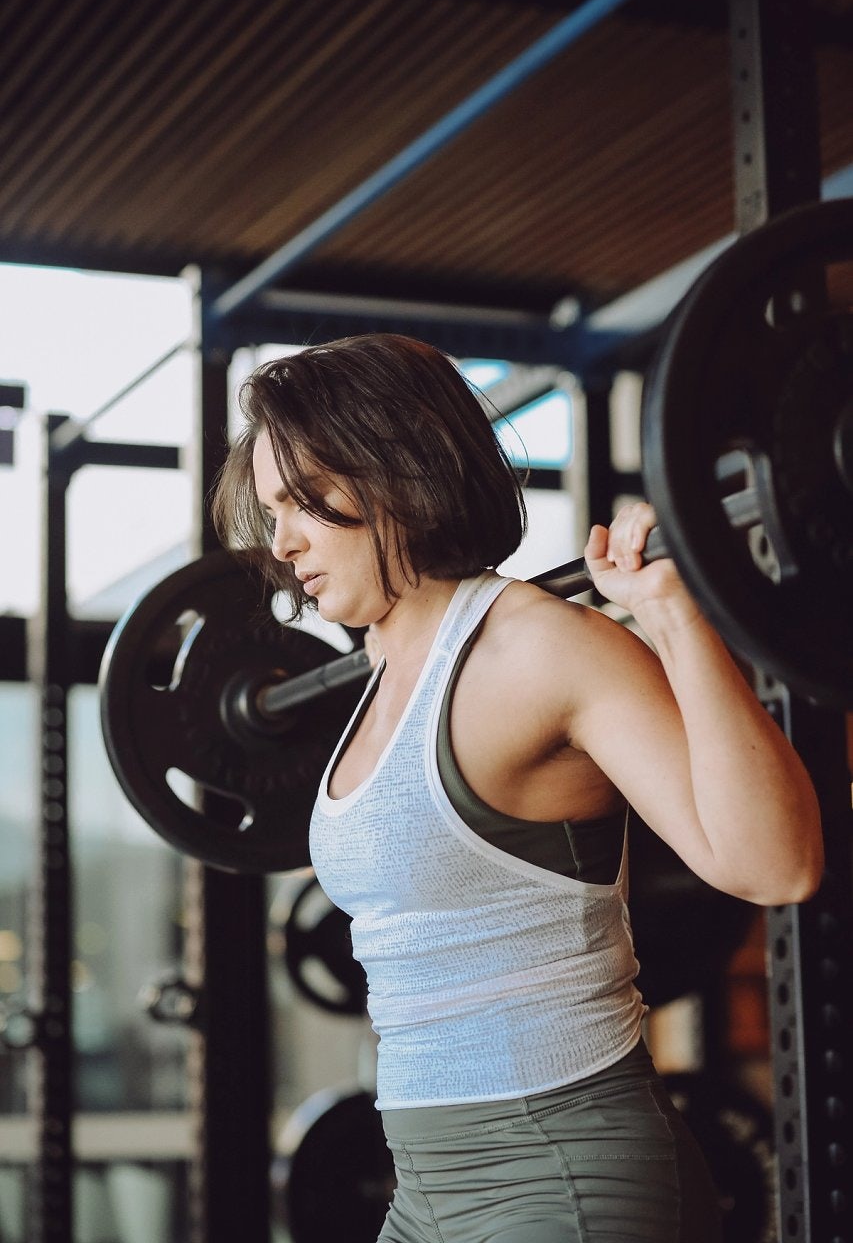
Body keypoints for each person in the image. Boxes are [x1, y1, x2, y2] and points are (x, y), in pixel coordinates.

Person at [212, 332, 822, 1243]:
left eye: (308, 501)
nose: (285, 539)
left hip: (566, 1169)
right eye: (273, 509)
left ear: (399, 472)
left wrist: (668, 612)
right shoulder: (379, 670)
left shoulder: (539, 649)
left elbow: (774, 867)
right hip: (423, 1184)